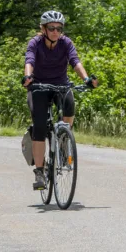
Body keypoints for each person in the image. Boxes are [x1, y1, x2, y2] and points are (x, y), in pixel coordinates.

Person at [22, 10, 98, 191]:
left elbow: (75, 62)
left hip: (61, 85)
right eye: (51, 28)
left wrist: (86, 79)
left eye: (59, 28)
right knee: (39, 126)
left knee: (69, 106)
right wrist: (28, 77)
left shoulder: (66, 43)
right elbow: (29, 60)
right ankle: (39, 172)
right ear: (43, 29)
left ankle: (64, 141)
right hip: (39, 86)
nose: (56, 31)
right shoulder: (35, 43)